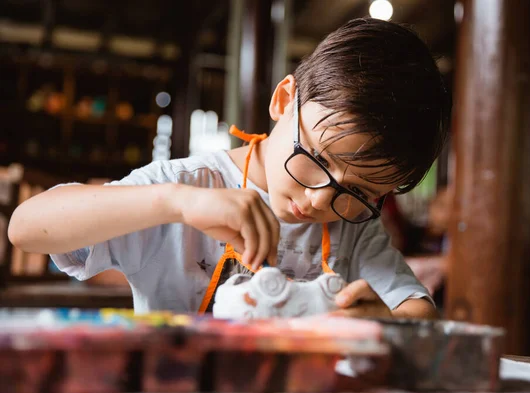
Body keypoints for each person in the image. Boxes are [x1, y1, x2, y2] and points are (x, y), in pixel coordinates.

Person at [8, 18, 451, 318]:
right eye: (316, 159)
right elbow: (27, 227)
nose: (320, 198)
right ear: (283, 101)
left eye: (356, 191)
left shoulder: (353, 226)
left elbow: (417, 311)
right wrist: (175, 204)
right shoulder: (186, 187)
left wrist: (388, 325)